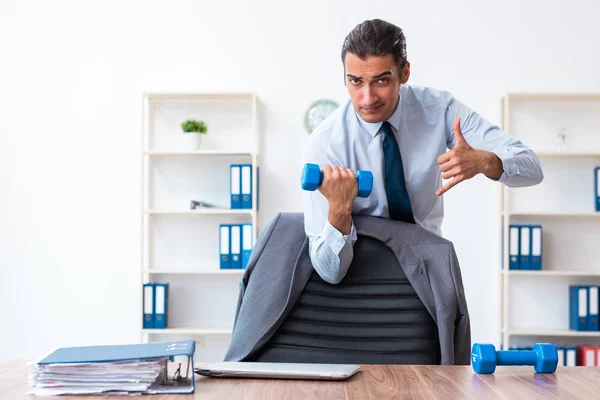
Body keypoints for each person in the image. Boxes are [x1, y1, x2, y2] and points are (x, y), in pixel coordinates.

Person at [302, 19, 544, 284]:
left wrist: (486, 161)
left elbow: (531, 169)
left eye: (381, 80)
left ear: (404, 73)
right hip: (360, 277)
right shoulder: (325, 145)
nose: (367, 97)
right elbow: (329, 273)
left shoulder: (439, 109)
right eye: (356, 81)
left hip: (426, 271)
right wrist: (338, 209)